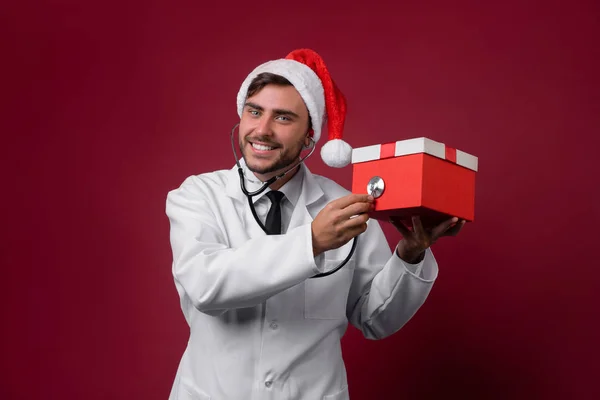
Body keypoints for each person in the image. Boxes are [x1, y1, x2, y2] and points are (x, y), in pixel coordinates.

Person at [165, 49, 465, 400]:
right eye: (254, 111)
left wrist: (410, 255)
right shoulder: (198, 195)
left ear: (310, 135)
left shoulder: (343, 207)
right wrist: (311, 241)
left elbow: (374, 318)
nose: (262, 130)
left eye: (283, 118)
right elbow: (205, 285)